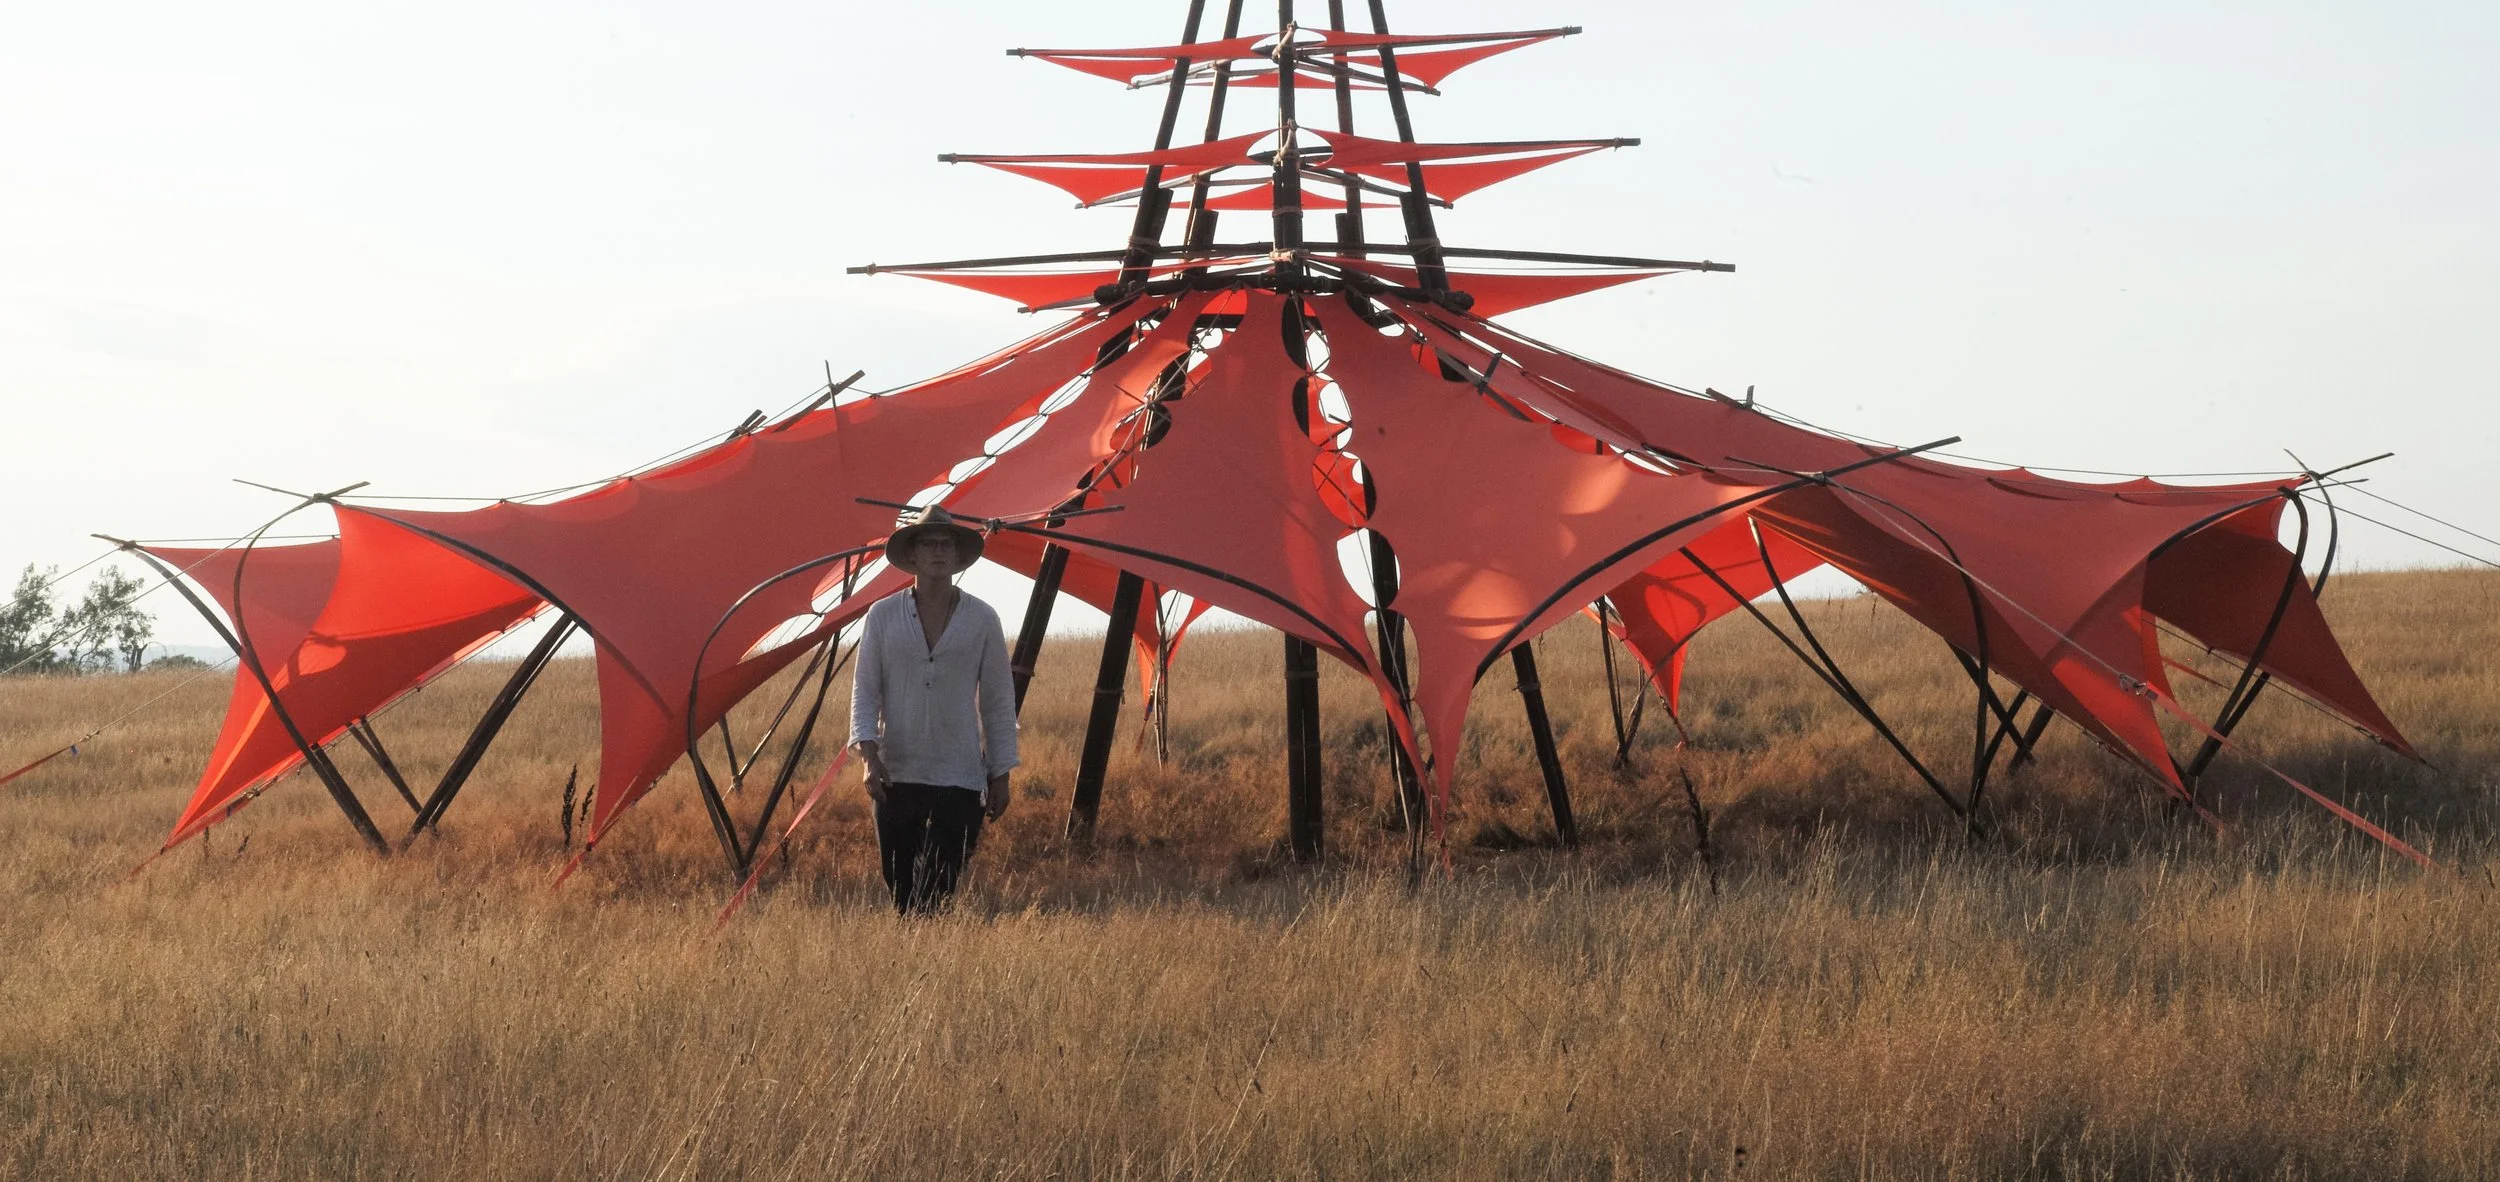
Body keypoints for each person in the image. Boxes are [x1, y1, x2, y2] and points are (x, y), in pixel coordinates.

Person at [848, 505, 1017, 914]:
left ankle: (932, 959)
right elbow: (865, 690)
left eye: (947, 544)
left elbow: (997, 702)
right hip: (897, 772)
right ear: (914, 556)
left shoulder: (982, 618)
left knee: (941, 886)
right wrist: (869, 757)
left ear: (959, 557)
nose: (939, 551)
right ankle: (910, 963)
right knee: (900, 886)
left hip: (959, 774)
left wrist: (1001, 773)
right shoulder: (883, 616)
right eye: (929, 544)